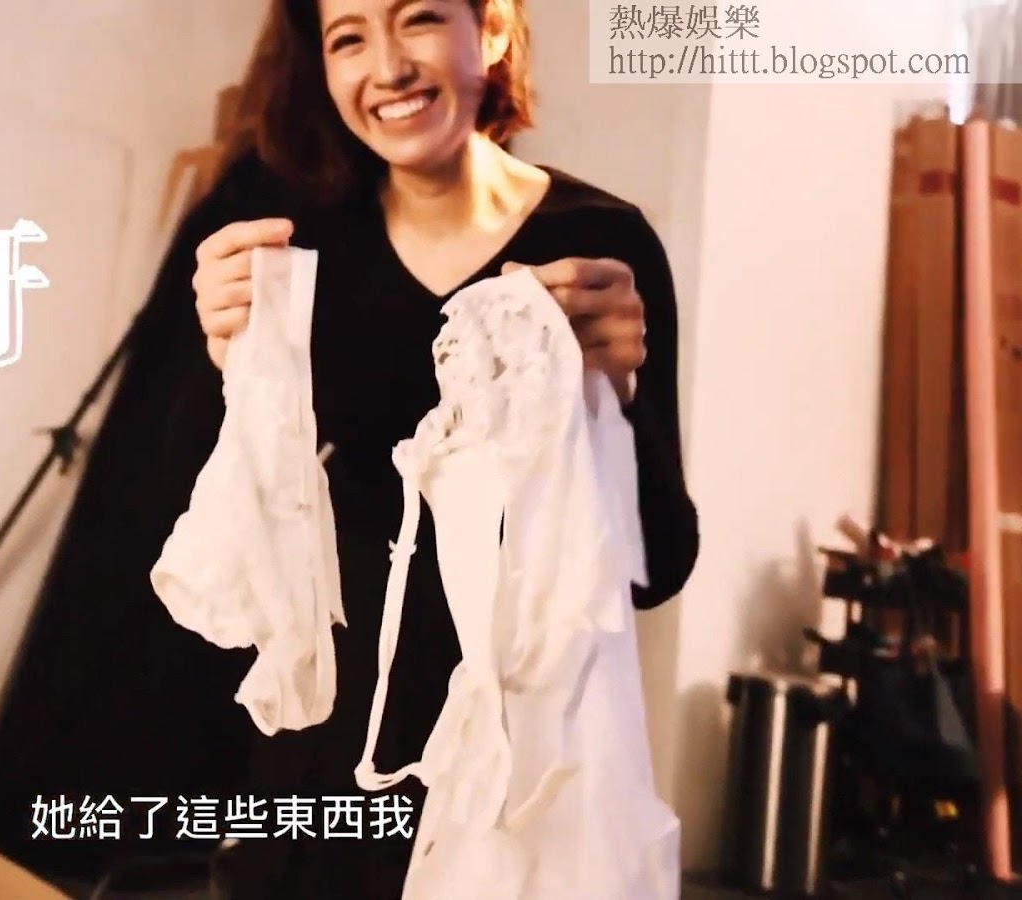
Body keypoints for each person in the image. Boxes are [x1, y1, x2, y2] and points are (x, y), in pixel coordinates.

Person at [160, 0, 702, 897]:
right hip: (328, 753)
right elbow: (195, 522)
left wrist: (616, 404)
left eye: (416, 19)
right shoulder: (298, 242)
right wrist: (228, 363)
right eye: (348, 38)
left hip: (519, 765)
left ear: (491, 31)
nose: (387, 68)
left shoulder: (597, 246)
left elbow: (658, 566)